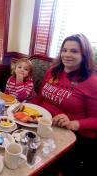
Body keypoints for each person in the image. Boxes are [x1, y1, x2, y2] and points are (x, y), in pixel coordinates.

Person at [34, 34, 97, 175]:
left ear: (84, 55)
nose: (67, 55)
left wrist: (74, 123)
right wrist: (26, 108)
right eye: (64, 50)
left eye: (74, 51)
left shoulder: (92, 82)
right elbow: (40, 97)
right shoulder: (52, 72)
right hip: (43, 125)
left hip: (72, 136)